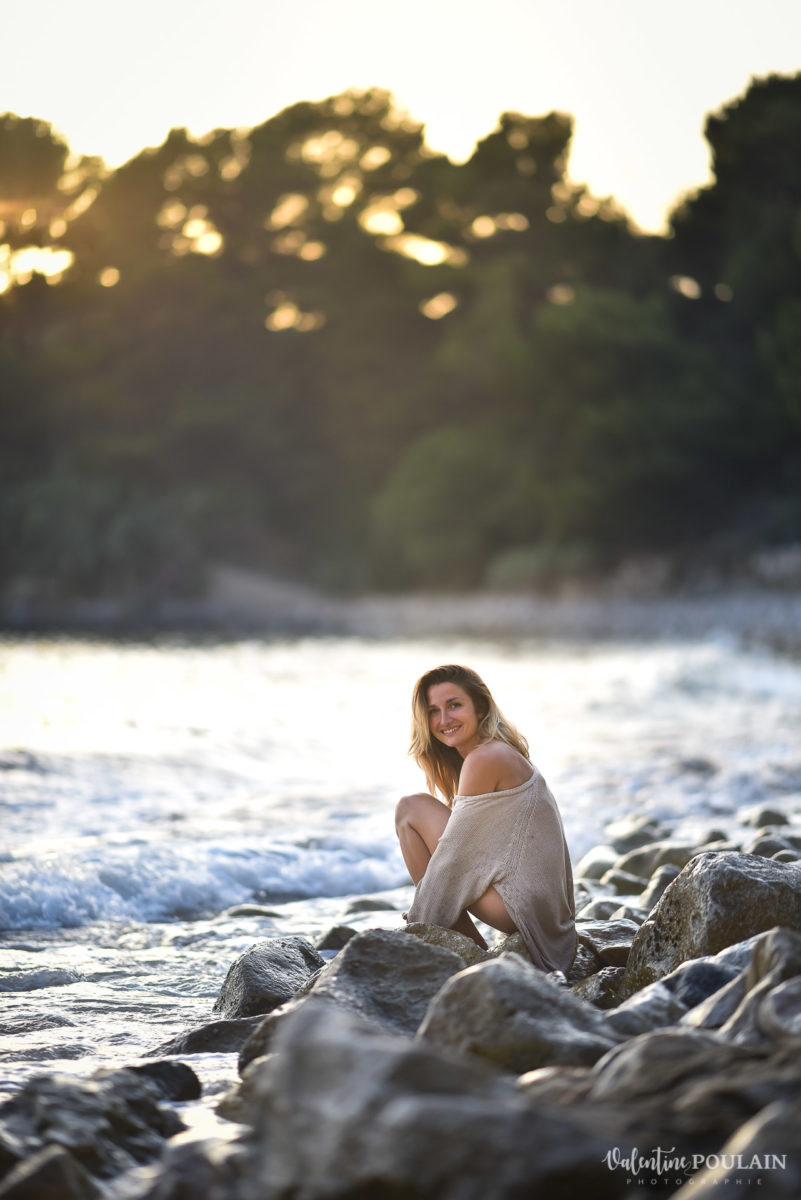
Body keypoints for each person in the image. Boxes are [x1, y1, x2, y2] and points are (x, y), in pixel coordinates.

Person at [395, 663, 576, 973]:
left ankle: (472, 954)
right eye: (433, 711)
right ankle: (471, 950)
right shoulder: (494, 753)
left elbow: (453, 860)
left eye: (454, 705)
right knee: (418, 817)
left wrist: (419, 922)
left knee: (410, 810)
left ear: (480, 707)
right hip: (548, 918)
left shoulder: (485, 758)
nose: (444, 719)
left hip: (523, 912)